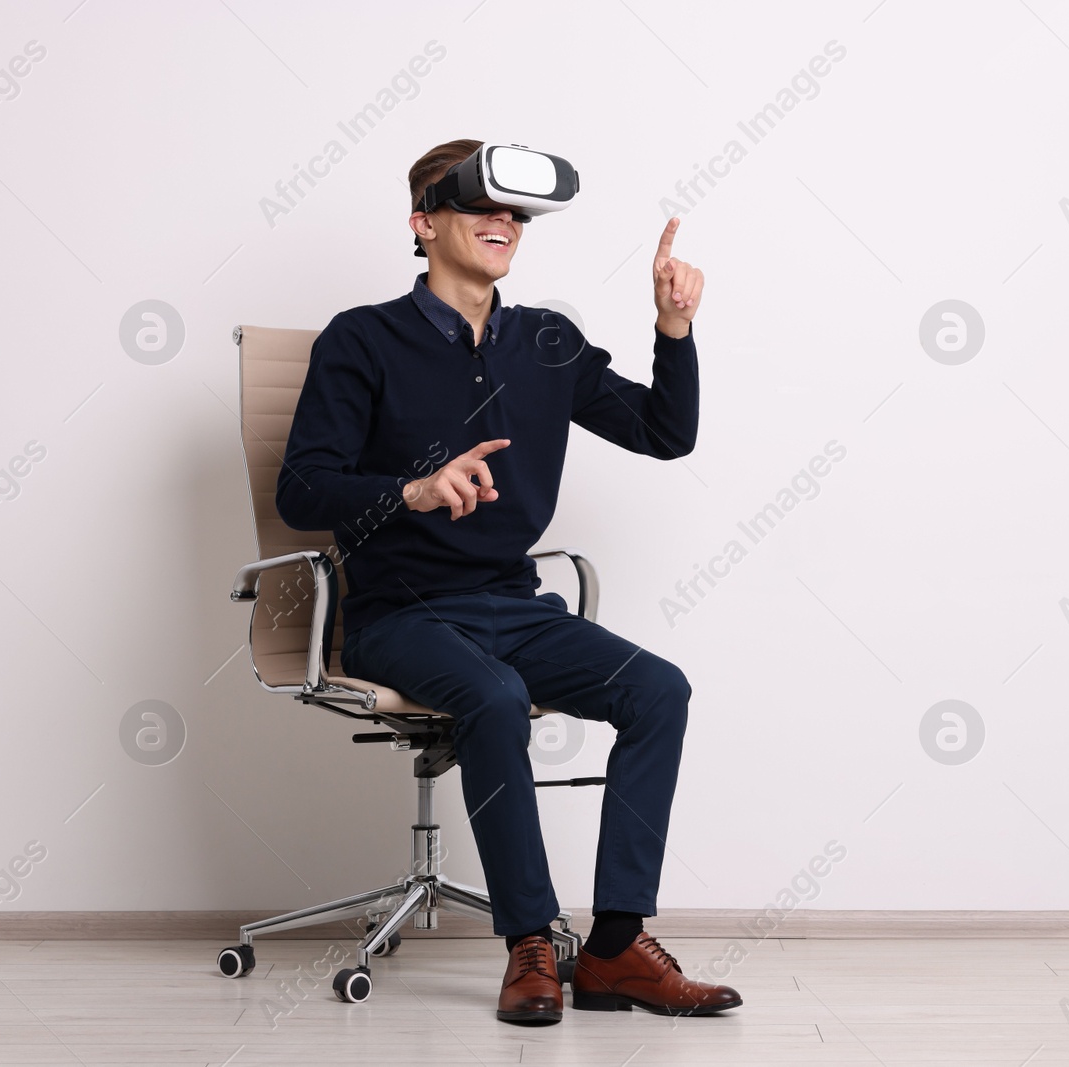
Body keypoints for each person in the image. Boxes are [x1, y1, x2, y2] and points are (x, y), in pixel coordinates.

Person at [275, 138, 740, 1025]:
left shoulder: (546, 342)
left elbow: (663, 431)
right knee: (494, 696)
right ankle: (531, 941)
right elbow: (301, 489)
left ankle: (612, 950)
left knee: (658, 690)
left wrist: (672, 329)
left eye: (516, 214)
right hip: (397, 613)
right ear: (423, 223)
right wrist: (410, 489)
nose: (504, 225)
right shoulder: (362, 338)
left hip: (511, 605)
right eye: (481, 208)